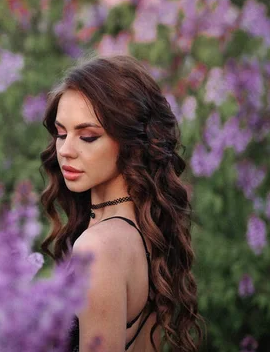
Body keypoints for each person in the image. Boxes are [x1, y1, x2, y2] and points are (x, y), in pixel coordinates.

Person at [39, 55, 204, 351]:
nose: (65, 150)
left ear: (131, 143)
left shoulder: (98, 247)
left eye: (88, 136)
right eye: (61, 133)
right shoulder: (144, 229)